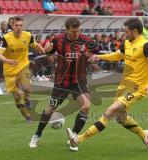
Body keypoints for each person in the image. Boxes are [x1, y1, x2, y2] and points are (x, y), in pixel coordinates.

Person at [66, 18, 148, 152]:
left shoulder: (145, 45)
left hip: (137, 89)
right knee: (121, 118)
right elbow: (117, 56)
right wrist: (98, 57)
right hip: (124, 87)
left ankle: (78, 139)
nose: (125, 34)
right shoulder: (127, 43)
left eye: (127, 32)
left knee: (109, 112)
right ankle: (144, 135)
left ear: (135, 31)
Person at [29, 17, 99, 151]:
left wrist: (93, 61)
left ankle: (73, 138)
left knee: (86, 106)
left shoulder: (87, 41)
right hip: (62, 80)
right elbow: (48, 52)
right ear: (67, 30)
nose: (76, 34)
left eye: (78, 31)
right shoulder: (58, 40)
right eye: (73, 32)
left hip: (79, 79)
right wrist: (47, 50)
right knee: (50, 109)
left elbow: (94, 54)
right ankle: (37, 135)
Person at [0, 16, 45, 123]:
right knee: (18, 96)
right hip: (10, 71)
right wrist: (8, 61)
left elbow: (34, 45)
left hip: (23, 66)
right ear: (12, 26)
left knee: (27, 88)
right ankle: (27, 116)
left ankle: (27, 98)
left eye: (20, 25)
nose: (19, 27)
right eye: (16, 25)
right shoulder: (6, 38)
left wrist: (43, 50)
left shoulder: (27, 35)